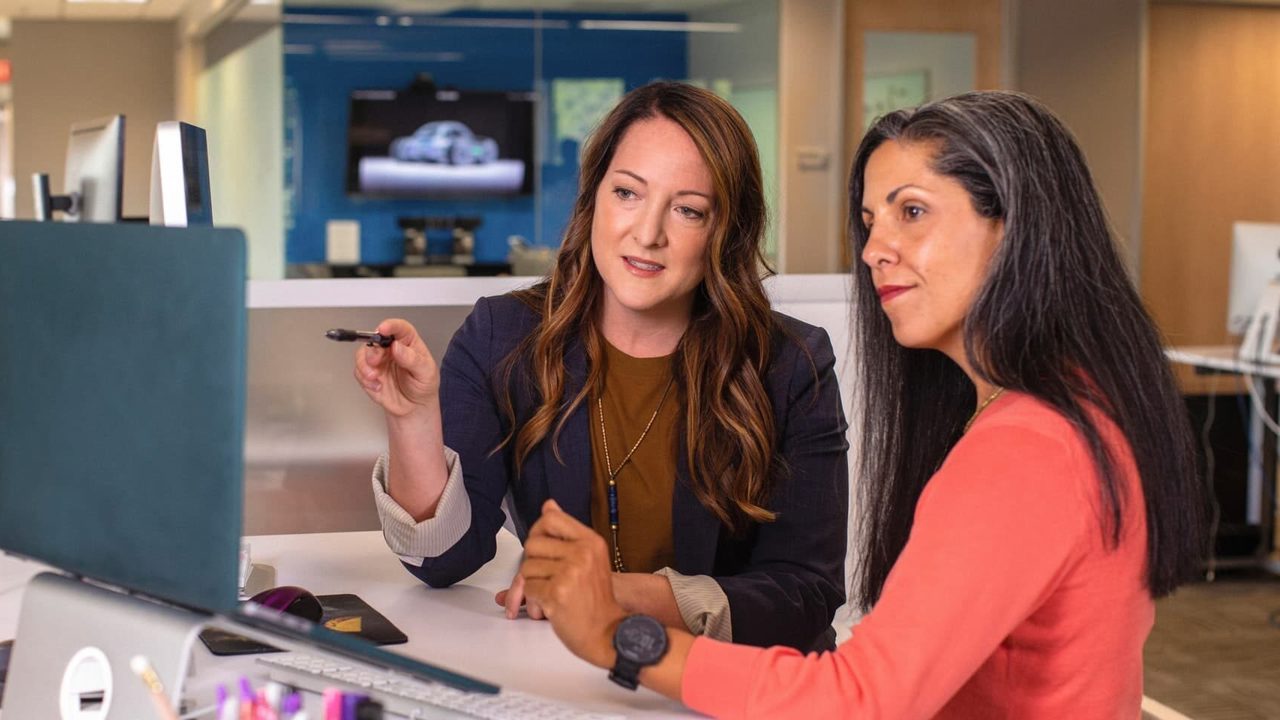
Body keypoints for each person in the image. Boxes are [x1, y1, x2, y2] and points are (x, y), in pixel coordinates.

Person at [517, 90, 1210, 717]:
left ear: (1015, 227)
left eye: (912, 213)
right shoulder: (1078, 406)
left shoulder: (1029, 446)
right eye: (871, 221)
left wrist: (619, 640)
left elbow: (863, 700)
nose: (876, 249)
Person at [352, 81, 849, 652]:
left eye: (688, 210)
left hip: (729, 687)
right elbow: (443, 560)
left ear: (724, 232)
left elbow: (805, 594)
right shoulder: (504, 336)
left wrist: (612, 593)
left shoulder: (791, 364)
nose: (647, 233)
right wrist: (414, 418)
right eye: (628, 194)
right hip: (567, 677)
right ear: (594, 198)